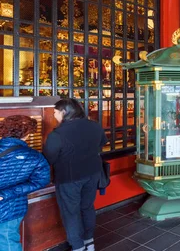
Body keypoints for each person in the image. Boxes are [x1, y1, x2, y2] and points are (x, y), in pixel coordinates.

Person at [43, 99, 108, 251]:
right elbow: (101, 143)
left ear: (64, 112)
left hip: (69, 177)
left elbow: (49, 158)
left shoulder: (58, 134)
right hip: (92, 173)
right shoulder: (94, 126)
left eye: (55, 112)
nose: (54, 115)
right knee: (87, 207)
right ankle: (89, 242)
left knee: (70, 212)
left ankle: (77, 246)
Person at [0, 115, 50, 251]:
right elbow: (42, 180)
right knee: (8, 241)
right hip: (12, 207)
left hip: (9, 207)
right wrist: (6, 194)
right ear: (28, 134)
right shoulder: (34, 156)